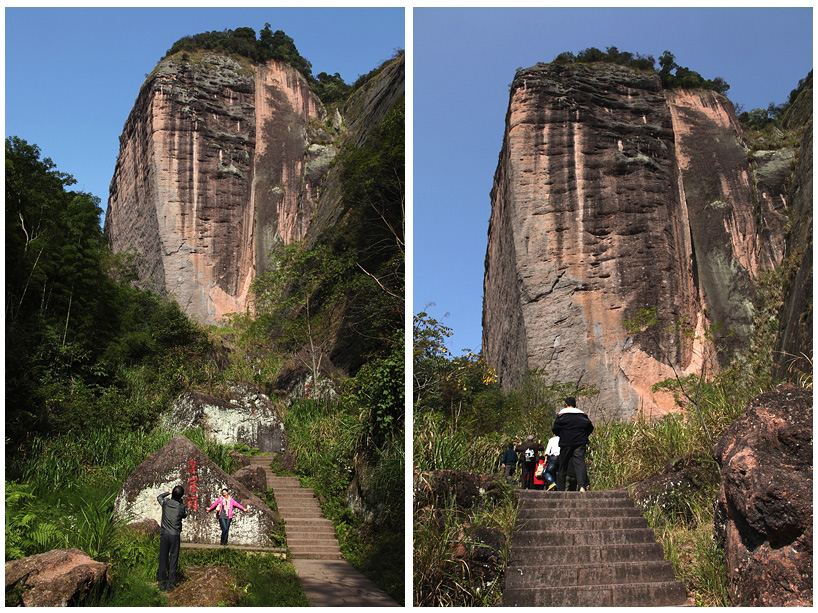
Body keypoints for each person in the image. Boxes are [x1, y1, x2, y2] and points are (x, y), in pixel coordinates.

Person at [552, 397, 594, 492]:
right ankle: (582, 486)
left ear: (566, 405)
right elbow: (590, 427)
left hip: (566, 442)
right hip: (580, 442)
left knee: (563, 465)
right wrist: (583, 435)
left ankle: (561, 488)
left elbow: (555, 429)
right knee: (580, 463)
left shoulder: (562, 415)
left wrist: (562, 435)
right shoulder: (582, 415)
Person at [157, 485, 187, 591]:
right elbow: (184, 515)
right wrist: (181, 503)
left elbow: (159, 497)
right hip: (175, 535)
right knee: (173, 559)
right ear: (181, 496)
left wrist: (168, 493)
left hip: (164, 534)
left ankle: (161, 582)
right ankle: (171, 584)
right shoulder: (181, 507)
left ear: (172, 494)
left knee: (163, 558)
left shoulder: (165, 503)